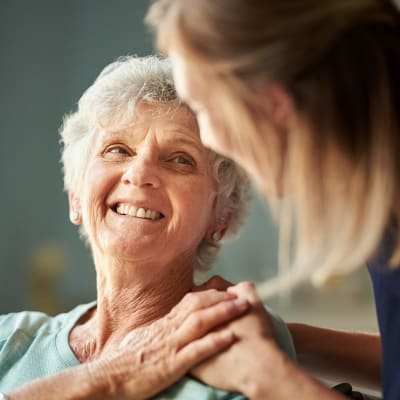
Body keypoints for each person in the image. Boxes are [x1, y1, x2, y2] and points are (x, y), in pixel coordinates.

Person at [0, 55, 295, 400]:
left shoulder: (237, 354)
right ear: (76, 199)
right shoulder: (9, 339)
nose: (139, 174)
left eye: (180, 159)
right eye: (117, 149)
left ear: (222, 216)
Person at [146, 0, 400, 399]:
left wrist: (265, 377)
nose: (209, 139)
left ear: (274, 104)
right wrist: (282, 340)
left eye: (204, 108)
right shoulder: (385, 209)